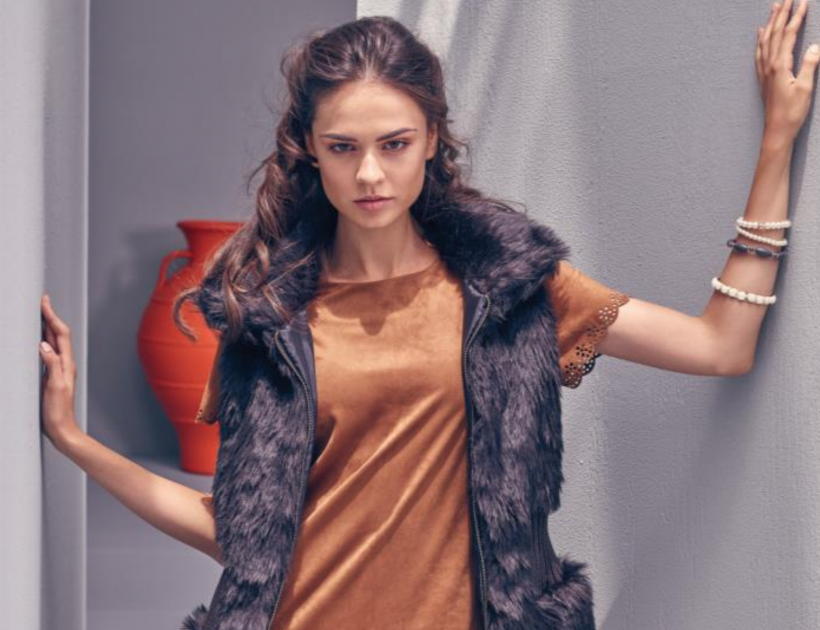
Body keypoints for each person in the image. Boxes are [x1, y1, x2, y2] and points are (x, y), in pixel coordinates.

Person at [39, 4, 816, 629]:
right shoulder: (270, 320)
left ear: (432, 139)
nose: (369, 173)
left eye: (394, 143)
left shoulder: (510, 288)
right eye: (343, 147)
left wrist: (777, 144)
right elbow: (235, 533)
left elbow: (721, 345)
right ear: (310, 149)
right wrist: (74, 440)